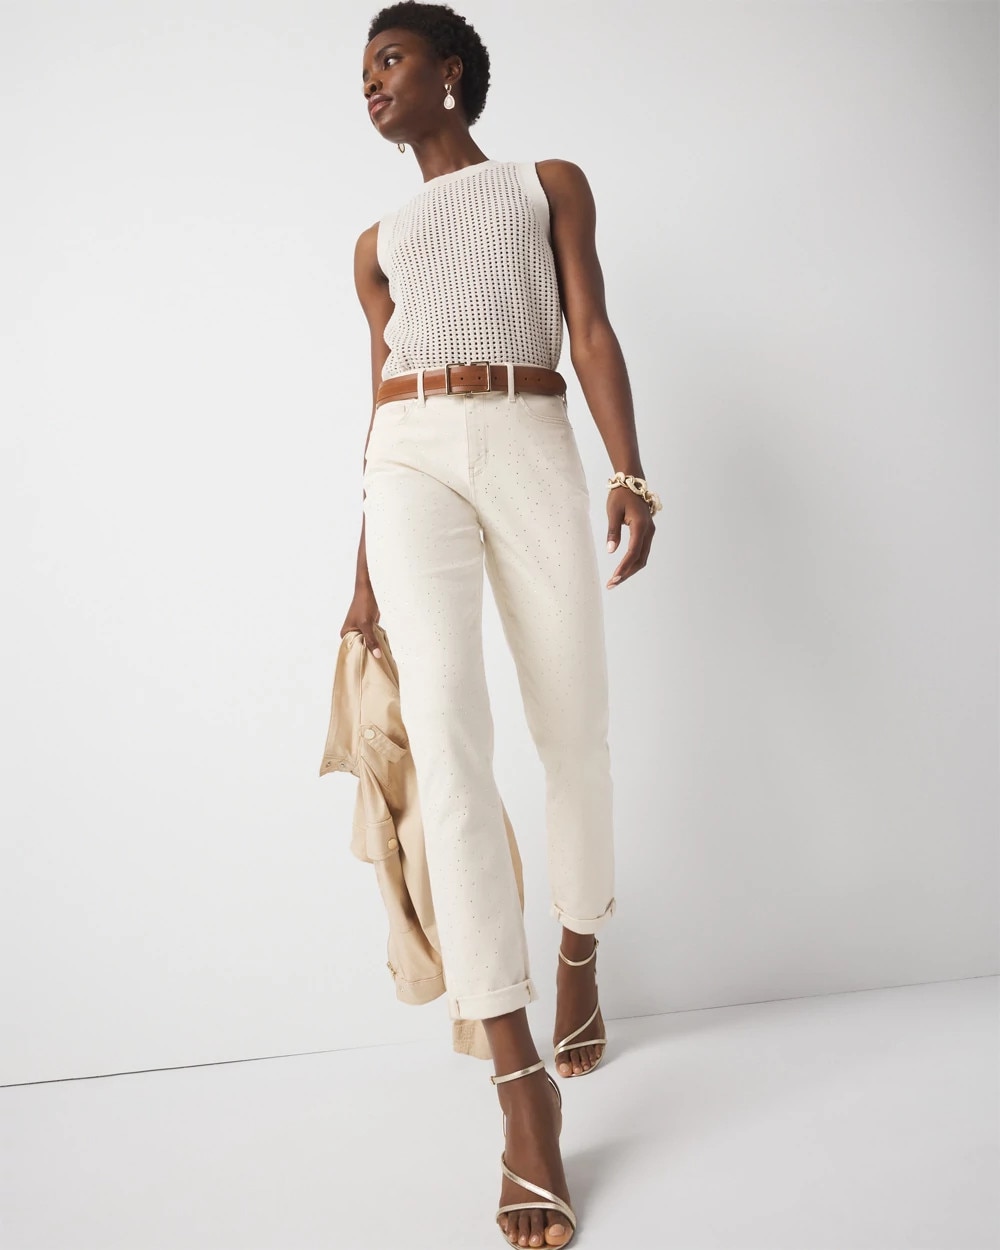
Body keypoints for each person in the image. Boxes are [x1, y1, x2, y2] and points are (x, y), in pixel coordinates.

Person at [343, 4, 660, 1245]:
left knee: (573, 727)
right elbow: (375, 395)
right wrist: (361, 571)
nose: (371, 84)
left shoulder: (545, 183)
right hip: (409, 458)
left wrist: (630, 471)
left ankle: (578, 942)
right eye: (364, 70)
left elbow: (589, 328)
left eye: (390, 60)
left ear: (452, 72)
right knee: (449, 745)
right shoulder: (373, 243)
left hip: (529, 435)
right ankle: (520, 1083)